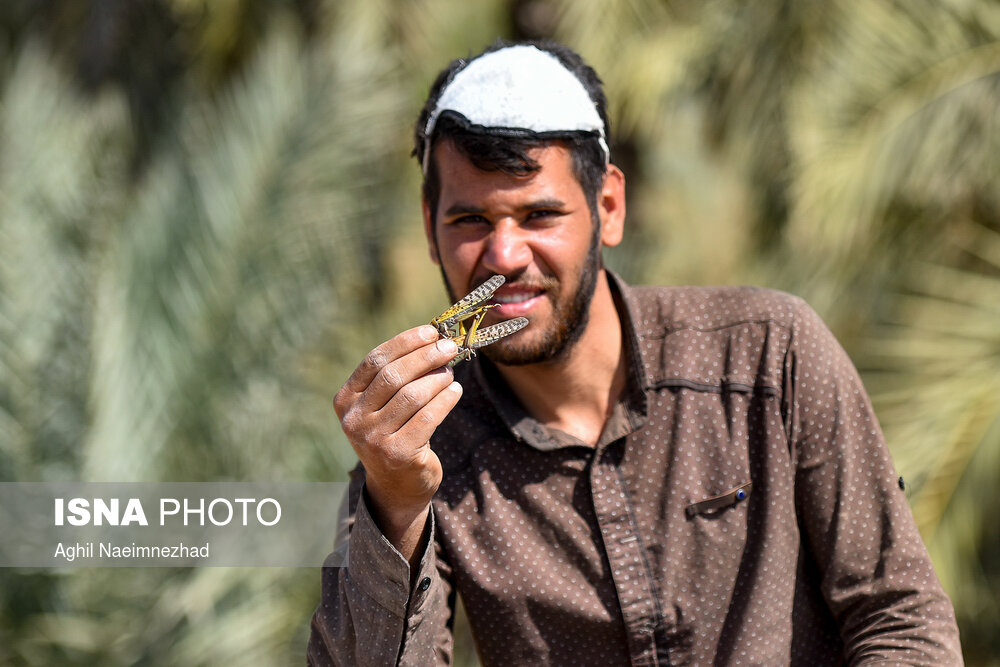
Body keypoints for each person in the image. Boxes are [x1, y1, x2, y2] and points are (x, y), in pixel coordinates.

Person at [308, 40, 962, 666]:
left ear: (609, 208)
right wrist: (394, 505)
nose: (504, 256)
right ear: (431, 229)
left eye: (539, 216)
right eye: (470, 221)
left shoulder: (771, 356)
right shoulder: (422, 455)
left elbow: (897, 614)